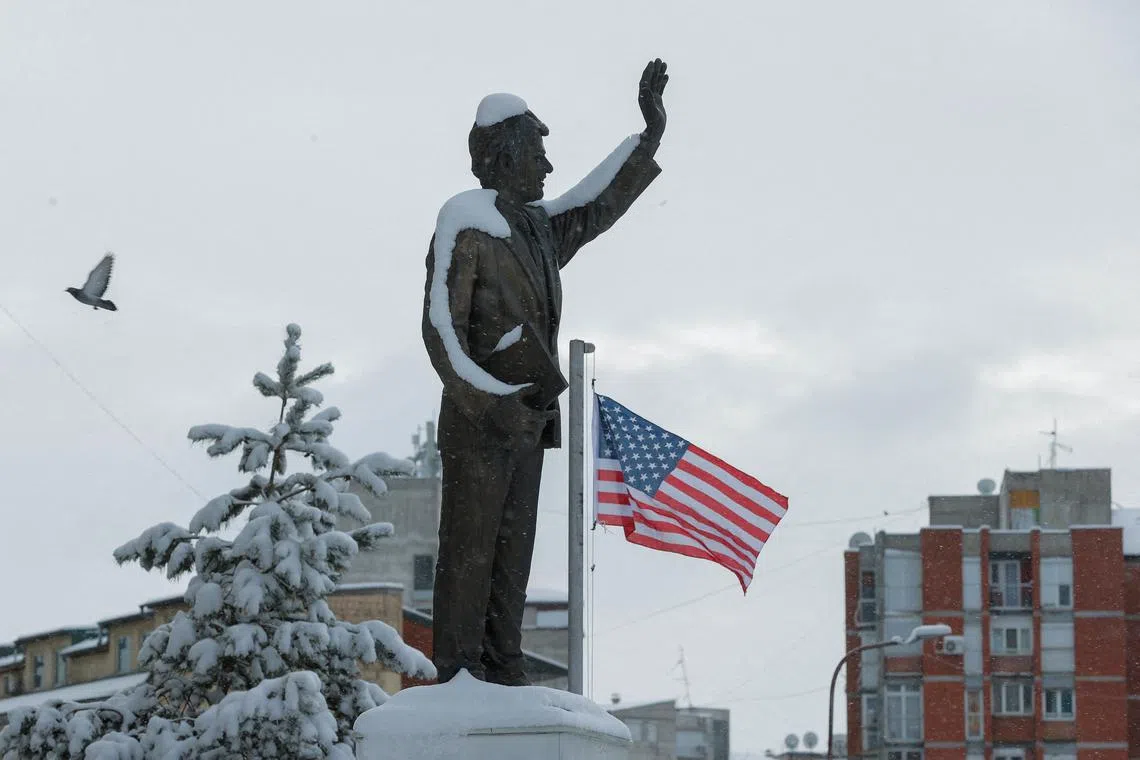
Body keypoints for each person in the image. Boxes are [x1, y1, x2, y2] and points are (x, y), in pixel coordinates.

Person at [421, 59, 669, 685]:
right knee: (469, 555)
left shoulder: (535, 228)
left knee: (512, 558)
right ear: (503, 157)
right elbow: (439, 331)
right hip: (482, 422)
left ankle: (504, 667)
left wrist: (649, 135)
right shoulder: (467, 221)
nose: (548, 168)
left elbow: (594, 204)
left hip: (529, 419)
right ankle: (457, 672)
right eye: (537, 152)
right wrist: (486, 400)